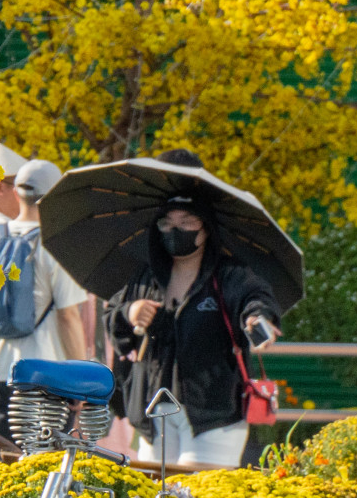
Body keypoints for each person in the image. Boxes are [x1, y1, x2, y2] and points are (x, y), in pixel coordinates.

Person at [107, 150, 282, 468]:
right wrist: (129, 312)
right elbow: (114, 320)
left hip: (213, 411)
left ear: (206, 229)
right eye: (167, 223)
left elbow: (255, 300)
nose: (176, 231)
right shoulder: (146, 275)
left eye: (187, 223)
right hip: (153, 412)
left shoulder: (228, 274)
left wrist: (258, 320)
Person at [0, 157, 92, 440]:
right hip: (45, 372)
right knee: (40, 465)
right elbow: (68, 317)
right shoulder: (58, 246)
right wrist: (79, 381)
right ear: (54, 197)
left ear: (17, 193)